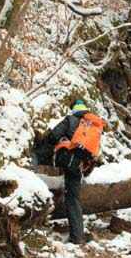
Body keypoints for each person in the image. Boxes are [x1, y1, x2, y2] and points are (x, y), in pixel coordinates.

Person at [45, 99, 106, 244]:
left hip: (68, 161)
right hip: (81, 164)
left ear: (73, 108)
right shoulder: (93, 123)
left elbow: (53, 136)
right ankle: (78, 235)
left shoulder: (70, 119)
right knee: (74, 198)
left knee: (72, 199)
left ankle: (77, 238)